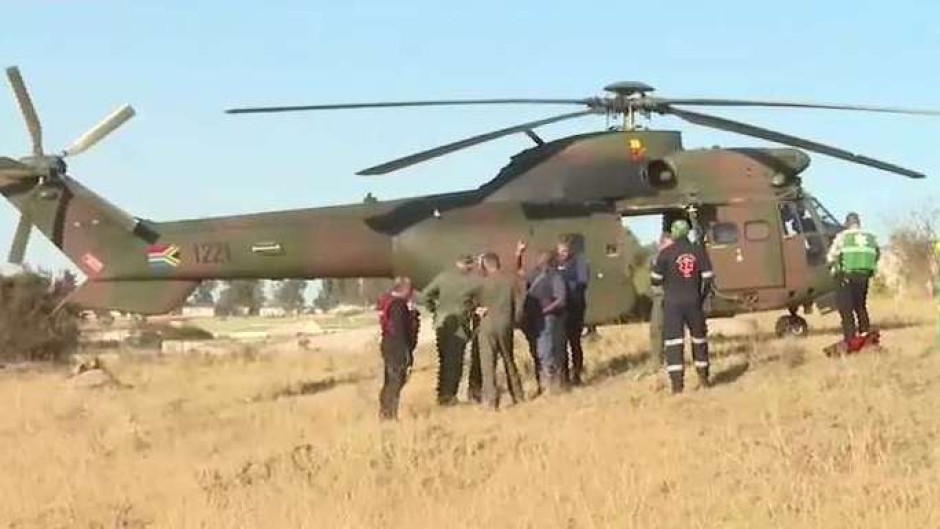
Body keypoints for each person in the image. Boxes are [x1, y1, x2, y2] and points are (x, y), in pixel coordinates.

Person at [650, 219, 714, 394]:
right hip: (694, 302)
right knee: (699, 340)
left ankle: (677, 386)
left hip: (672, 304)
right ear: (688, 232)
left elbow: (655, 279)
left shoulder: (665, 254)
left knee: (673, 344)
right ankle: (703, 378)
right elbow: (708, 277)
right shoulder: (698, 251)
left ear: (674, 232)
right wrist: (700, 297)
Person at [420, 255, 483, 405]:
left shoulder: (443, 277)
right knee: (454, 362)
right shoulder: (473, 282)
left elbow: (425, 295)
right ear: (470, 266)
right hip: (459, 326)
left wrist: (434, 309)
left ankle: (442, 393)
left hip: (441, 323)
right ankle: (449, 396)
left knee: (444, 360)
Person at [474, 252, 525, 408]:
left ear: (485, 266)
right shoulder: (510, 281)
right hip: (505, 324)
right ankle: (517, 395)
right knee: (509, 360)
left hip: (487, 325)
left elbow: (472, 303)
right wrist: (515, 321)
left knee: (488, 365)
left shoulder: (481, 284)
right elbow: (519, 304)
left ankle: (491, 400)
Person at [826, 212, 880, 348]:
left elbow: (831, 257)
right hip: (864, 276)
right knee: (860, 307)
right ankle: (865, 337)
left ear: (847, 224)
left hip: (846, 276)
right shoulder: (871, 237)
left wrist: (832, 267)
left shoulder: (844, 236)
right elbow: (877, 254)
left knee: (846, 310)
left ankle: (851, 341)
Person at [523, 249, 568, 394]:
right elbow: (520, 274)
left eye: (542, 260)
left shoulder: (556, 278)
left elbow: (561, 299)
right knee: (540, 351)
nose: (539, 262)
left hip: (548, 319)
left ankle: (552, 385)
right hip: (535, 319)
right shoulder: (535, 276)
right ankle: (544, 384)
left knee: (547, 351)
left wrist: (545, 310)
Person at [376, 277, 419, 420]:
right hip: (397, 347)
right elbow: (401, 331)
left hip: (388, 344)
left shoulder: (388, 302)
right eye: (411, 291)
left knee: (390, 381)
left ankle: (386, 412)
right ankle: (389, 414)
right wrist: (406, 352)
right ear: (405, 290)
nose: (412, 294)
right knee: (396, 381)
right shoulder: (399, 306)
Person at [555, 237, 590, 386]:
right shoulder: (555, 265)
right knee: (561, 343)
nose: (562, 254)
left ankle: (577, 373)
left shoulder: (579, 262)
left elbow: (582, 282)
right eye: (560, 251)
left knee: (575, 342)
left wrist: (565, 286)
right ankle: (564, 376)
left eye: (564, 251)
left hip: (575, 307)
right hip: (561, 310)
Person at [648, 231, 673, 364]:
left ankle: (672, 358)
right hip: (660, 296)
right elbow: (655, 280)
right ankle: (656, 359)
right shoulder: (656, 259)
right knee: (657, 328)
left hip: (674, 297)